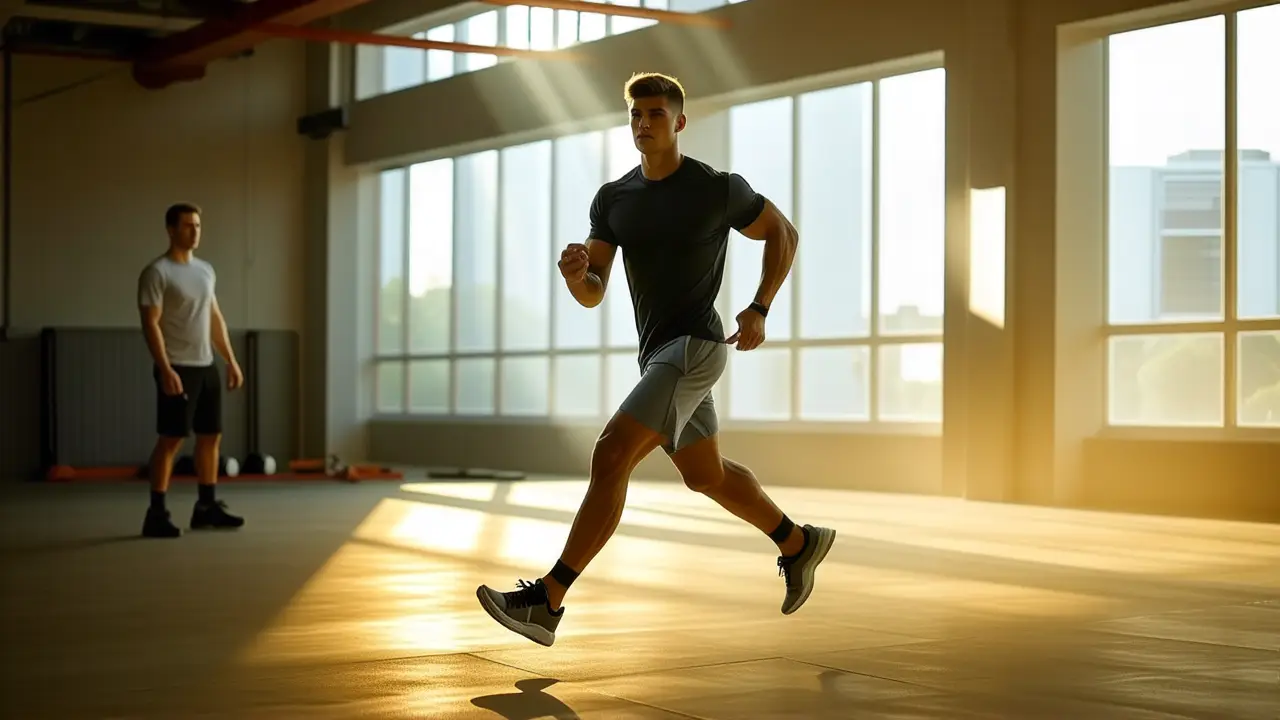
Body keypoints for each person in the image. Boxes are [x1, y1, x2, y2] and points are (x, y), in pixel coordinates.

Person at [477, 73, 836, 647]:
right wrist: (577, 277)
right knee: (705, 475)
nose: (643, 124)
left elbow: (783, 233)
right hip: (659, 356)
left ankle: (548, 599)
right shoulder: (614, 199)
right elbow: (594, 290)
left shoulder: (716, 189)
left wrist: (759, 307)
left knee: (611, 453)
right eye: (635, 115)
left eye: (655, 114)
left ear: (679, 122)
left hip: (694, 347)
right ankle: (797, 542)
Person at [136, 202, 246, 538]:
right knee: (171, 440)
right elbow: (150, 324)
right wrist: (165, 368)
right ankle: (156, 513)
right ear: (171, 229)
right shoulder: (158, 272)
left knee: (211, 436)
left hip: (206, 364)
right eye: (187, 226)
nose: (194, 231)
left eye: (197, 225)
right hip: (178, 367)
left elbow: (214, 318)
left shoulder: (205, 271)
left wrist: (230, 360)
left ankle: (206, 507)